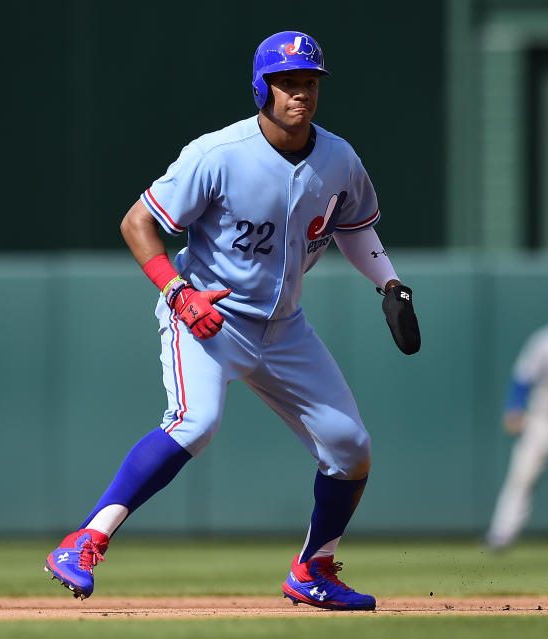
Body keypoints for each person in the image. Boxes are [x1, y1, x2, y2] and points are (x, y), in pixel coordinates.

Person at [44, 30, 420, 611]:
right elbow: (137, 223)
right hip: (208, 315)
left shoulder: (339, 158)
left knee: (351, 448)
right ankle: (84, 541)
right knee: (196, 424)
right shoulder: (218, 154)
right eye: (287, 83)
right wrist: (175, 293)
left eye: (310, 82)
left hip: (285, 326)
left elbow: (355, 226)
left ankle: (313, 569)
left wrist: (389, 283)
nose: (301, 93)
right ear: (261, 88)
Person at [485, 313, 548, 550]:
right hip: (543, 420)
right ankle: (501, 535)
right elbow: (521, 379)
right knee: (521, 478)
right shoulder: (545, 342)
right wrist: (515, 408)